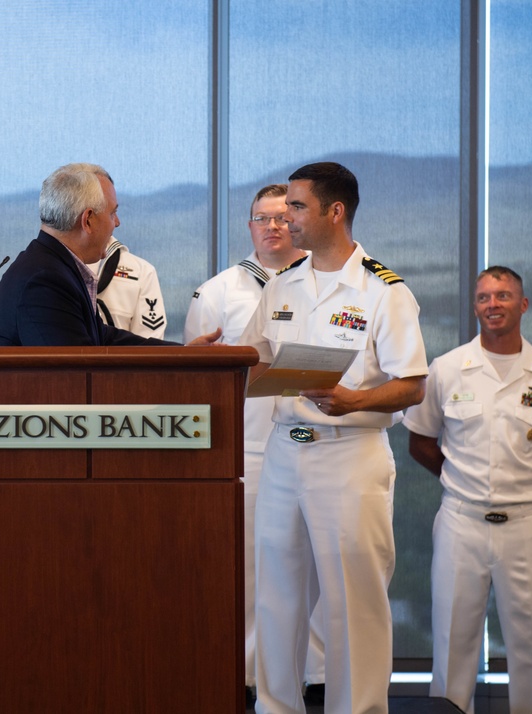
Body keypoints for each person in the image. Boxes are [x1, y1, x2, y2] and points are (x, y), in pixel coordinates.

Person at [238, 162, 428, 714]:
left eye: (297, 207)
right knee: (276, 597)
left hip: (348, 456)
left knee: (353, 603)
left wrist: (355, 401)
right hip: (283, 452)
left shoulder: (382, 291)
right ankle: (275, 707)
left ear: (334, 211)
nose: (285, 217)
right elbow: (254, 362)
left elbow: (412, 386)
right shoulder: (281, 286)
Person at [404, 266, 532, 714]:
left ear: (523, 304)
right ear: (475, 306)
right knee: (453, 641)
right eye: (483, 297)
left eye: (503, 295)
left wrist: (525, 484)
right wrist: (463, 482)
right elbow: (420, 441)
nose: (492, 304)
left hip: (527, 526)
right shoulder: (448, 369)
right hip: (461, 521)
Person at [184, 183, 318, 706]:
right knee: (250, 574)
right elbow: (199, 383)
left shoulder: (324, 283)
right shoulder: (217, 292)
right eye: (262, 218)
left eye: (284, 217)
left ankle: (314, 678)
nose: (273, 227)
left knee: (317, 580)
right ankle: (245, 682)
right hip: (249, 451)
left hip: (321, 442)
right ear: (249, 226)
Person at [0, 162, 220, 347]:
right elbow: (75, 377)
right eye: (112, 213)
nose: (117, 222)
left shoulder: (53, 267)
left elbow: (104, 339)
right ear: (88, 220)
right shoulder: (45, 280)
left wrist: (185, 355)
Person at [88, 237, 167, 338]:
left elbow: (149, 346)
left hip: (118, 352)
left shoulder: (142, 271)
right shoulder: (63, 268)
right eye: (112, 219)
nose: (117, 222)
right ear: (86, 221)